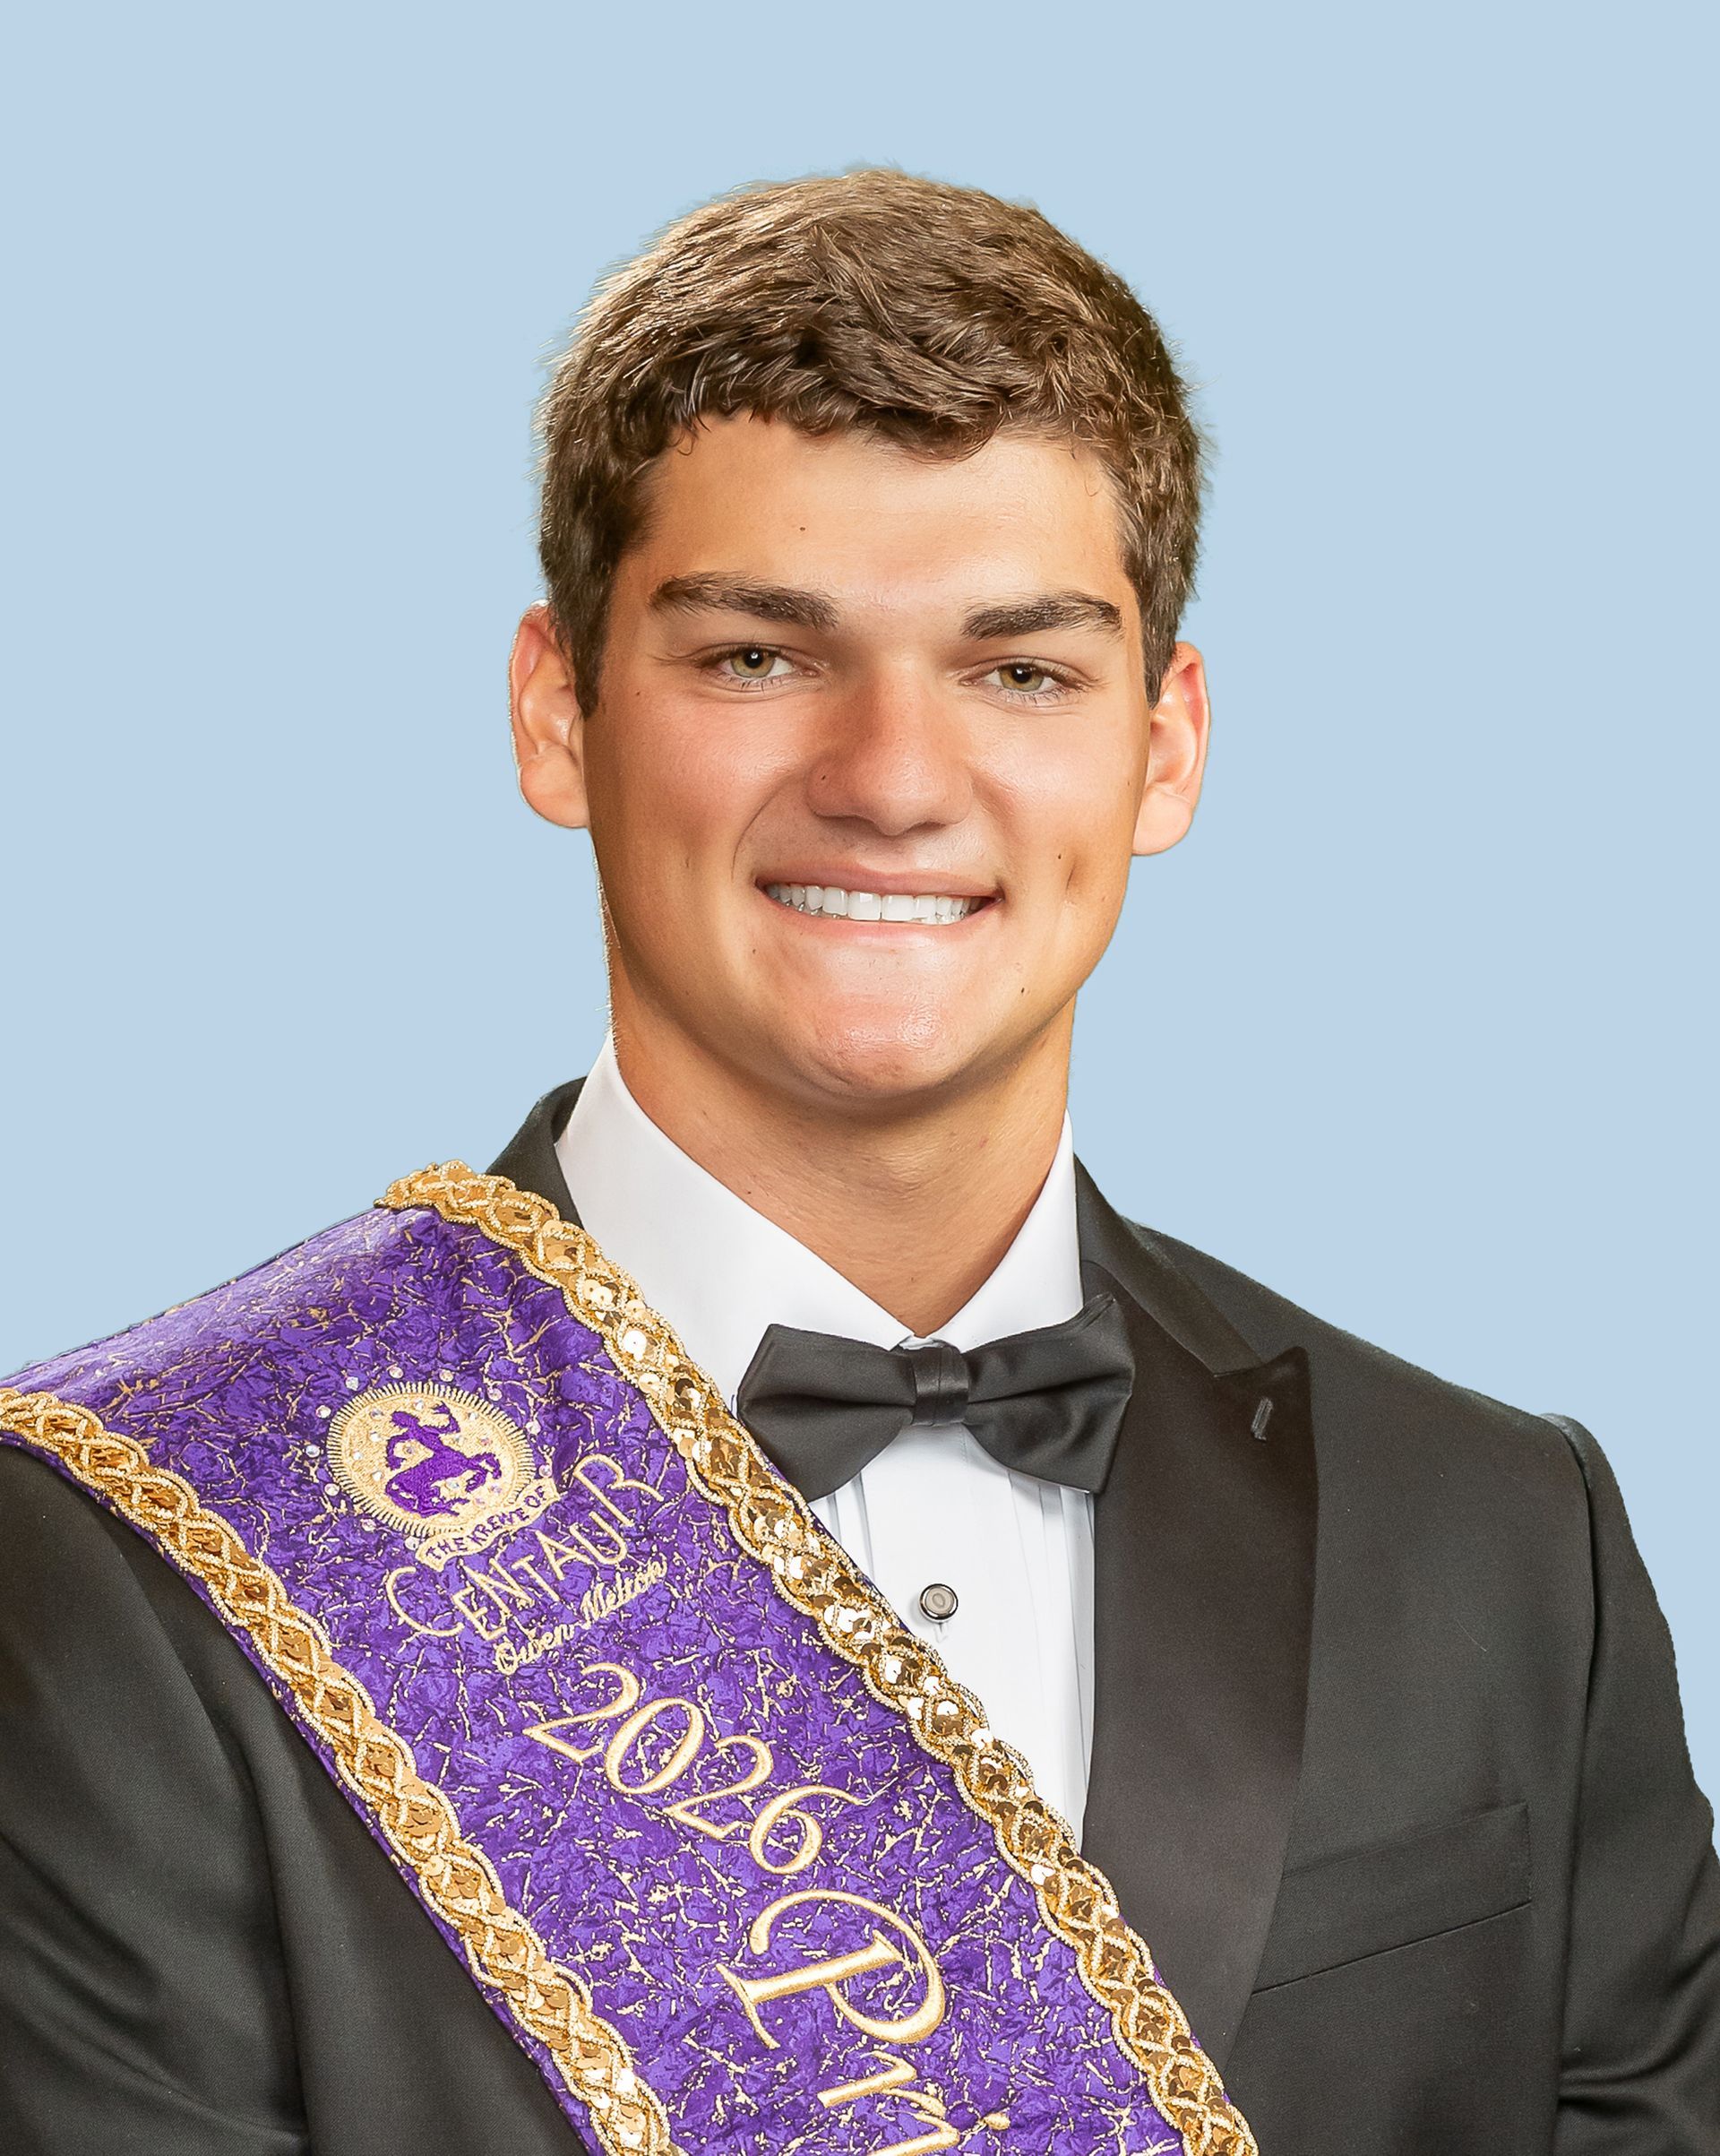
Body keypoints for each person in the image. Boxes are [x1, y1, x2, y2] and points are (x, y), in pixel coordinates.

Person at [1, 169, 1715, 2156]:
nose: (894, 779)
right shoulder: (137, 1546)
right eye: (757, 657)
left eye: (1021, 668)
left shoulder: (1506, 1541)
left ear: (1165, 744)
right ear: (557, 713)